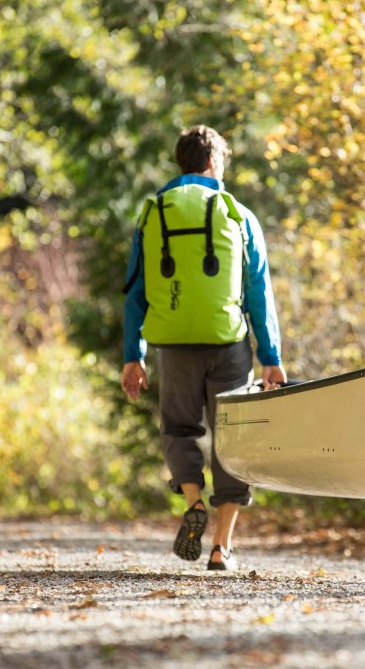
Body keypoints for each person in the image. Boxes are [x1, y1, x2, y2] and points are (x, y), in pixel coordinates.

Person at [121, 125, 286, 571]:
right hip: (228, 342)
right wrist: (270, 358)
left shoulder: (153, 212)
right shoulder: (237, 211)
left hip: (172, 344)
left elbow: (136, 291)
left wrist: (132, 355)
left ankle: (193, 502)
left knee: (179, 429)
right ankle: (221, 546)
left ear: (182, 161)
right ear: (214, 162)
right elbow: (258, 292)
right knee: (233, 437)